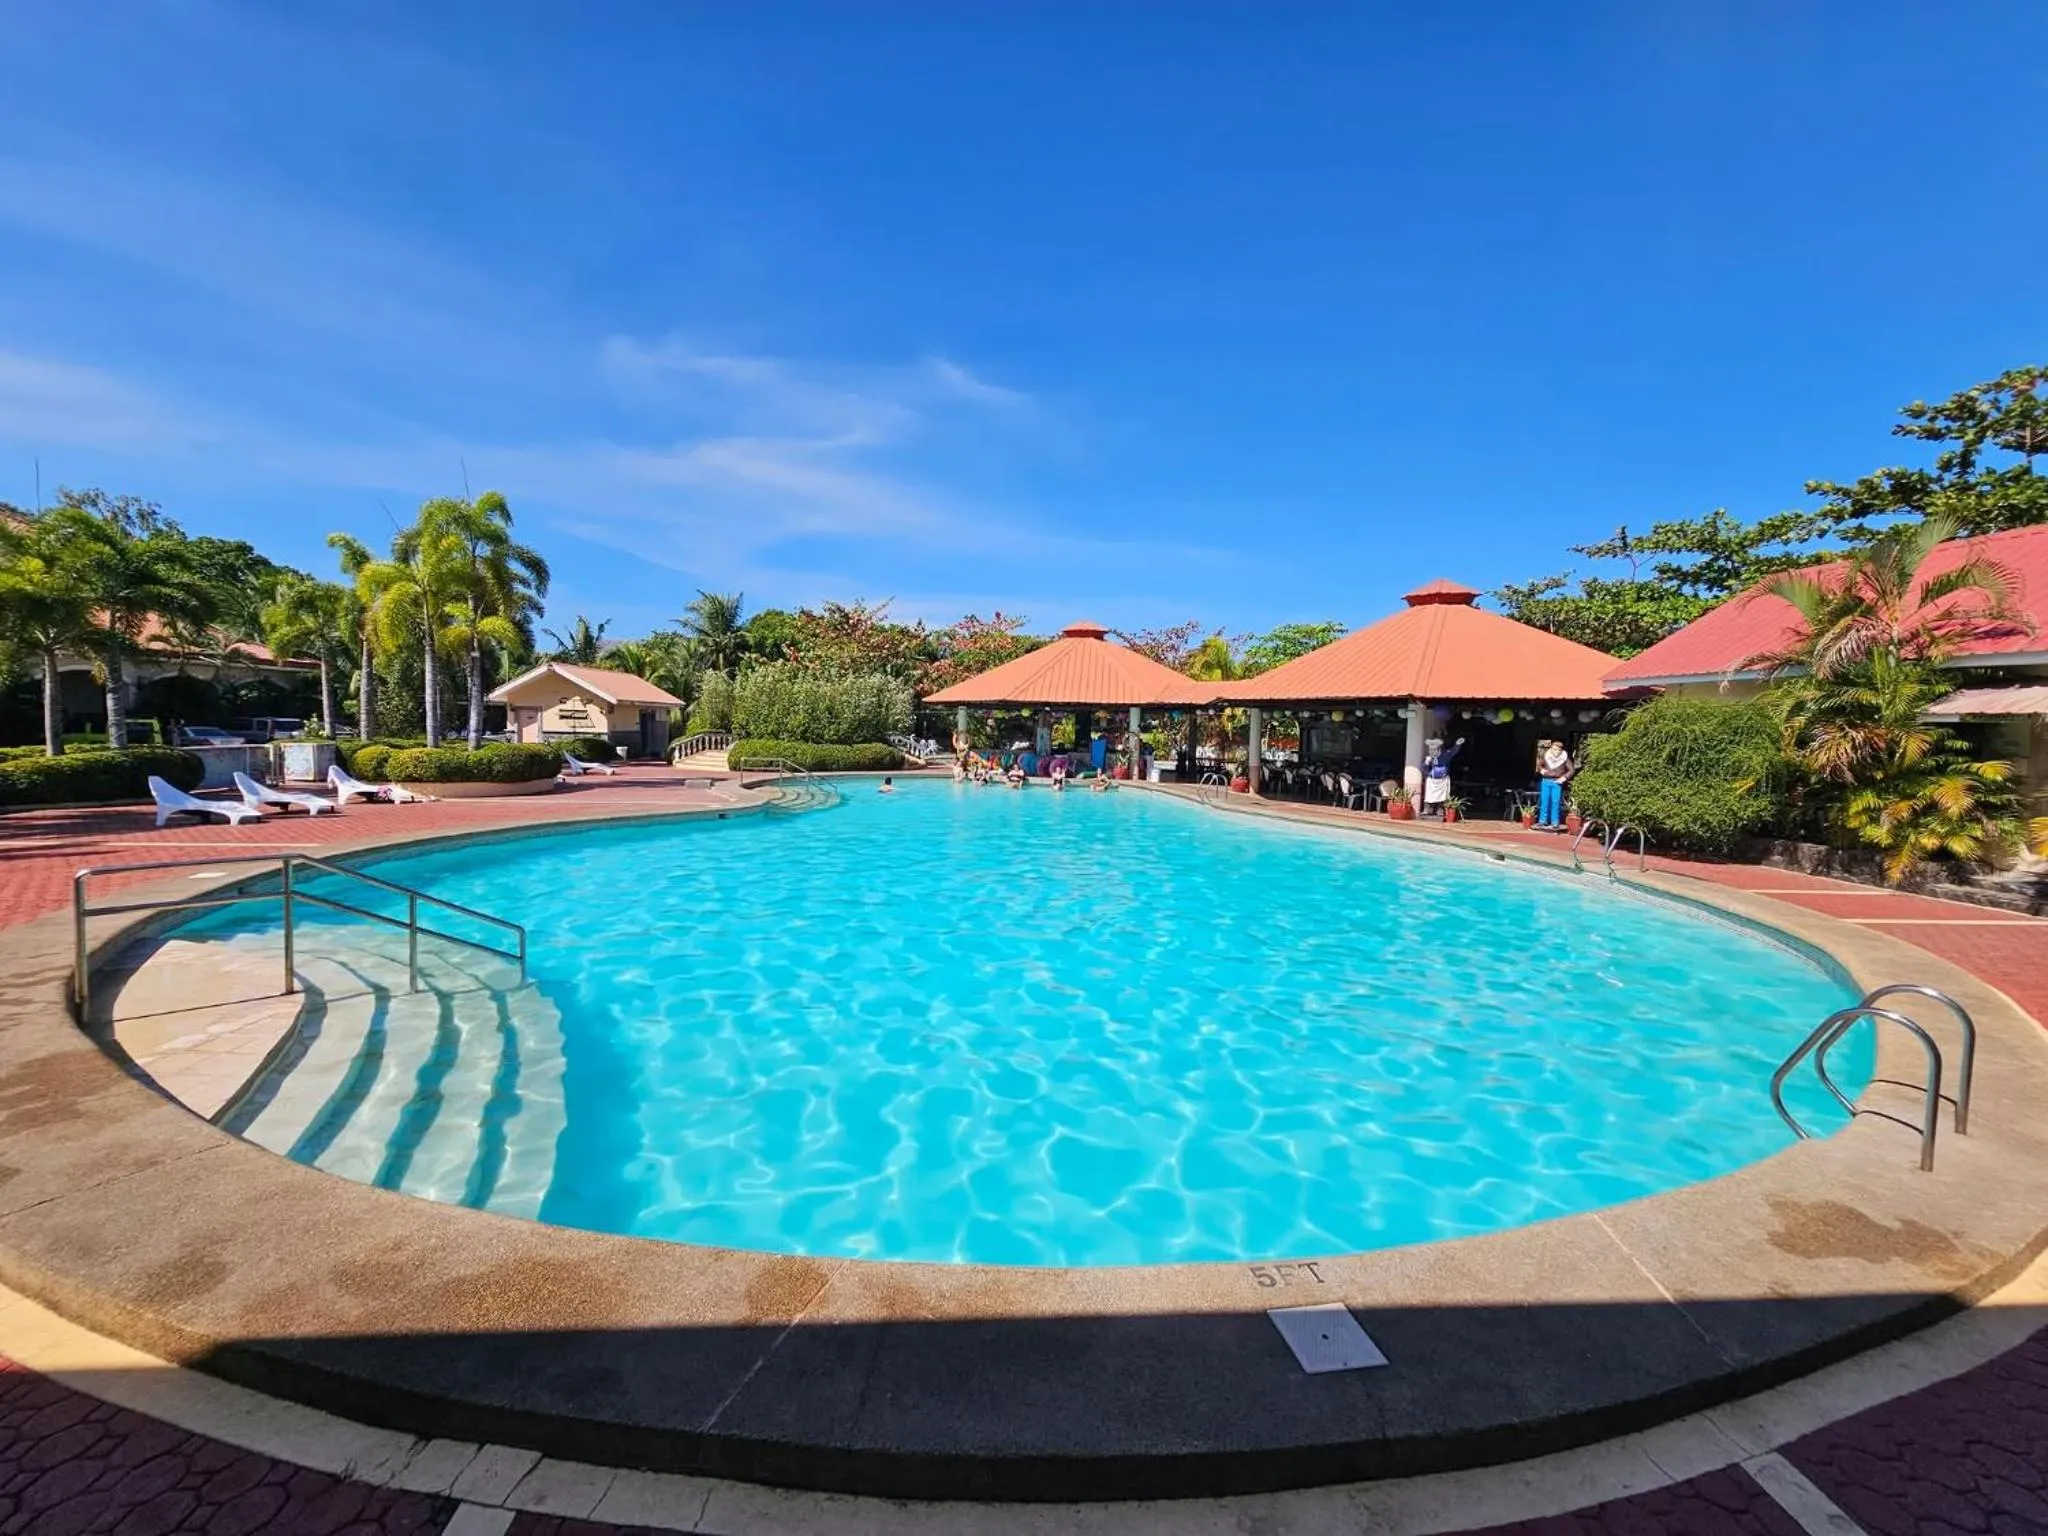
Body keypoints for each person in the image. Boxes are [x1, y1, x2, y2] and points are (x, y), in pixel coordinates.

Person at [1421, 736, 1465, 819]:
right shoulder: (1428, 758)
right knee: (1429, 796)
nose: (1432, 752)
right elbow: (1424, 769)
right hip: (1432, 780)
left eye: (1434, 750)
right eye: (1431, 750)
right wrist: (1426, 763)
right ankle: (1427, 809)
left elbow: (1453, 751)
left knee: (1442, 797)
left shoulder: (1445, 755)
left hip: (1442, 780)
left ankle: (1440, 810)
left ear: (1439, 750)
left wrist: (1457, 744)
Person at [1537, 738, 1573, 830]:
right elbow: (1539, 765)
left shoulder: (1564, 757)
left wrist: (1564, 778)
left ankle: (1555, 822)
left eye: (1557, 750)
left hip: (1557, 782)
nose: (1555, 751)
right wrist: (1542, 770)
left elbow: (1571, 770)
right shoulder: (1546, 755)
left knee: (1555, 802)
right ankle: (1542, 821)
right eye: (1553, 749)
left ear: (1561, 750)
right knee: (1544, 801)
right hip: (1546, 781)